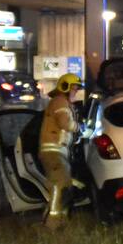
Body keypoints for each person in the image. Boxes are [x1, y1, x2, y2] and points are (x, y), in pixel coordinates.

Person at [39, 72, 83, 230]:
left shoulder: (62, 102)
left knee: (65, 184)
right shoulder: (59, 101)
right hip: (53, 151)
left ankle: (59, 221)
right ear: (65, 87)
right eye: (74, 88)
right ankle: (51, 224)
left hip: (59, 151)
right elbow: (65, 123)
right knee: (59, 184)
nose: (76, 91)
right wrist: (80, 128)